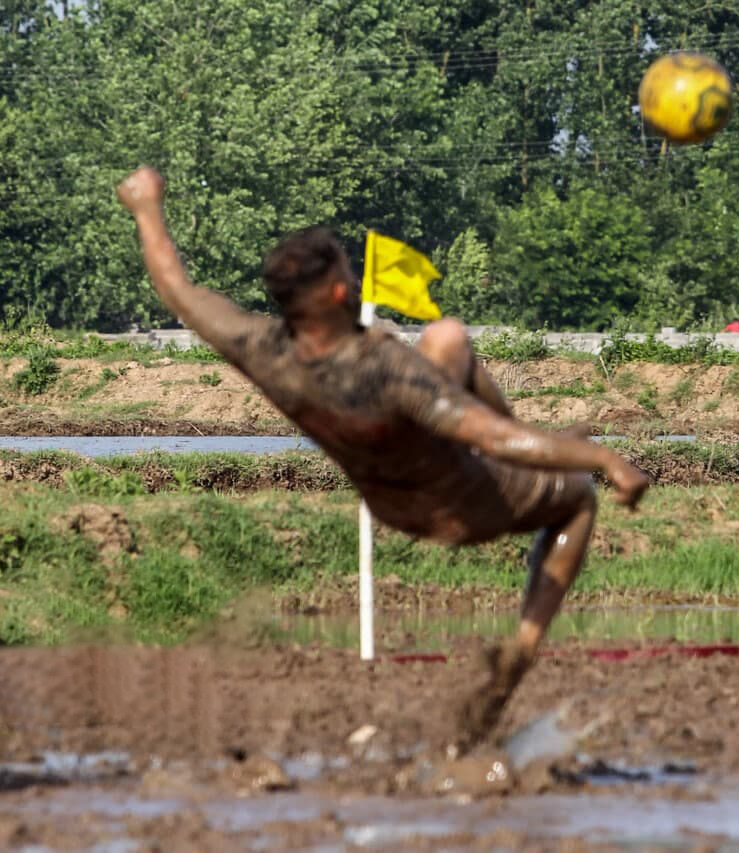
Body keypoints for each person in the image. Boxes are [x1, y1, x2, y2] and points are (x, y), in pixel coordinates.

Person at [115, 167, 650, 751]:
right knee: (576, 500)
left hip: (392, 503)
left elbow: (178, 290)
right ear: (342, 292)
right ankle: (521, 649)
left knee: (448, 339)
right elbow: (496, 439)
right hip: (462, 498)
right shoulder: (386, 371)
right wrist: (601, 456)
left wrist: (147, 208)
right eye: (347, 267)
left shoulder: (262, 351)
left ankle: (534, 443)